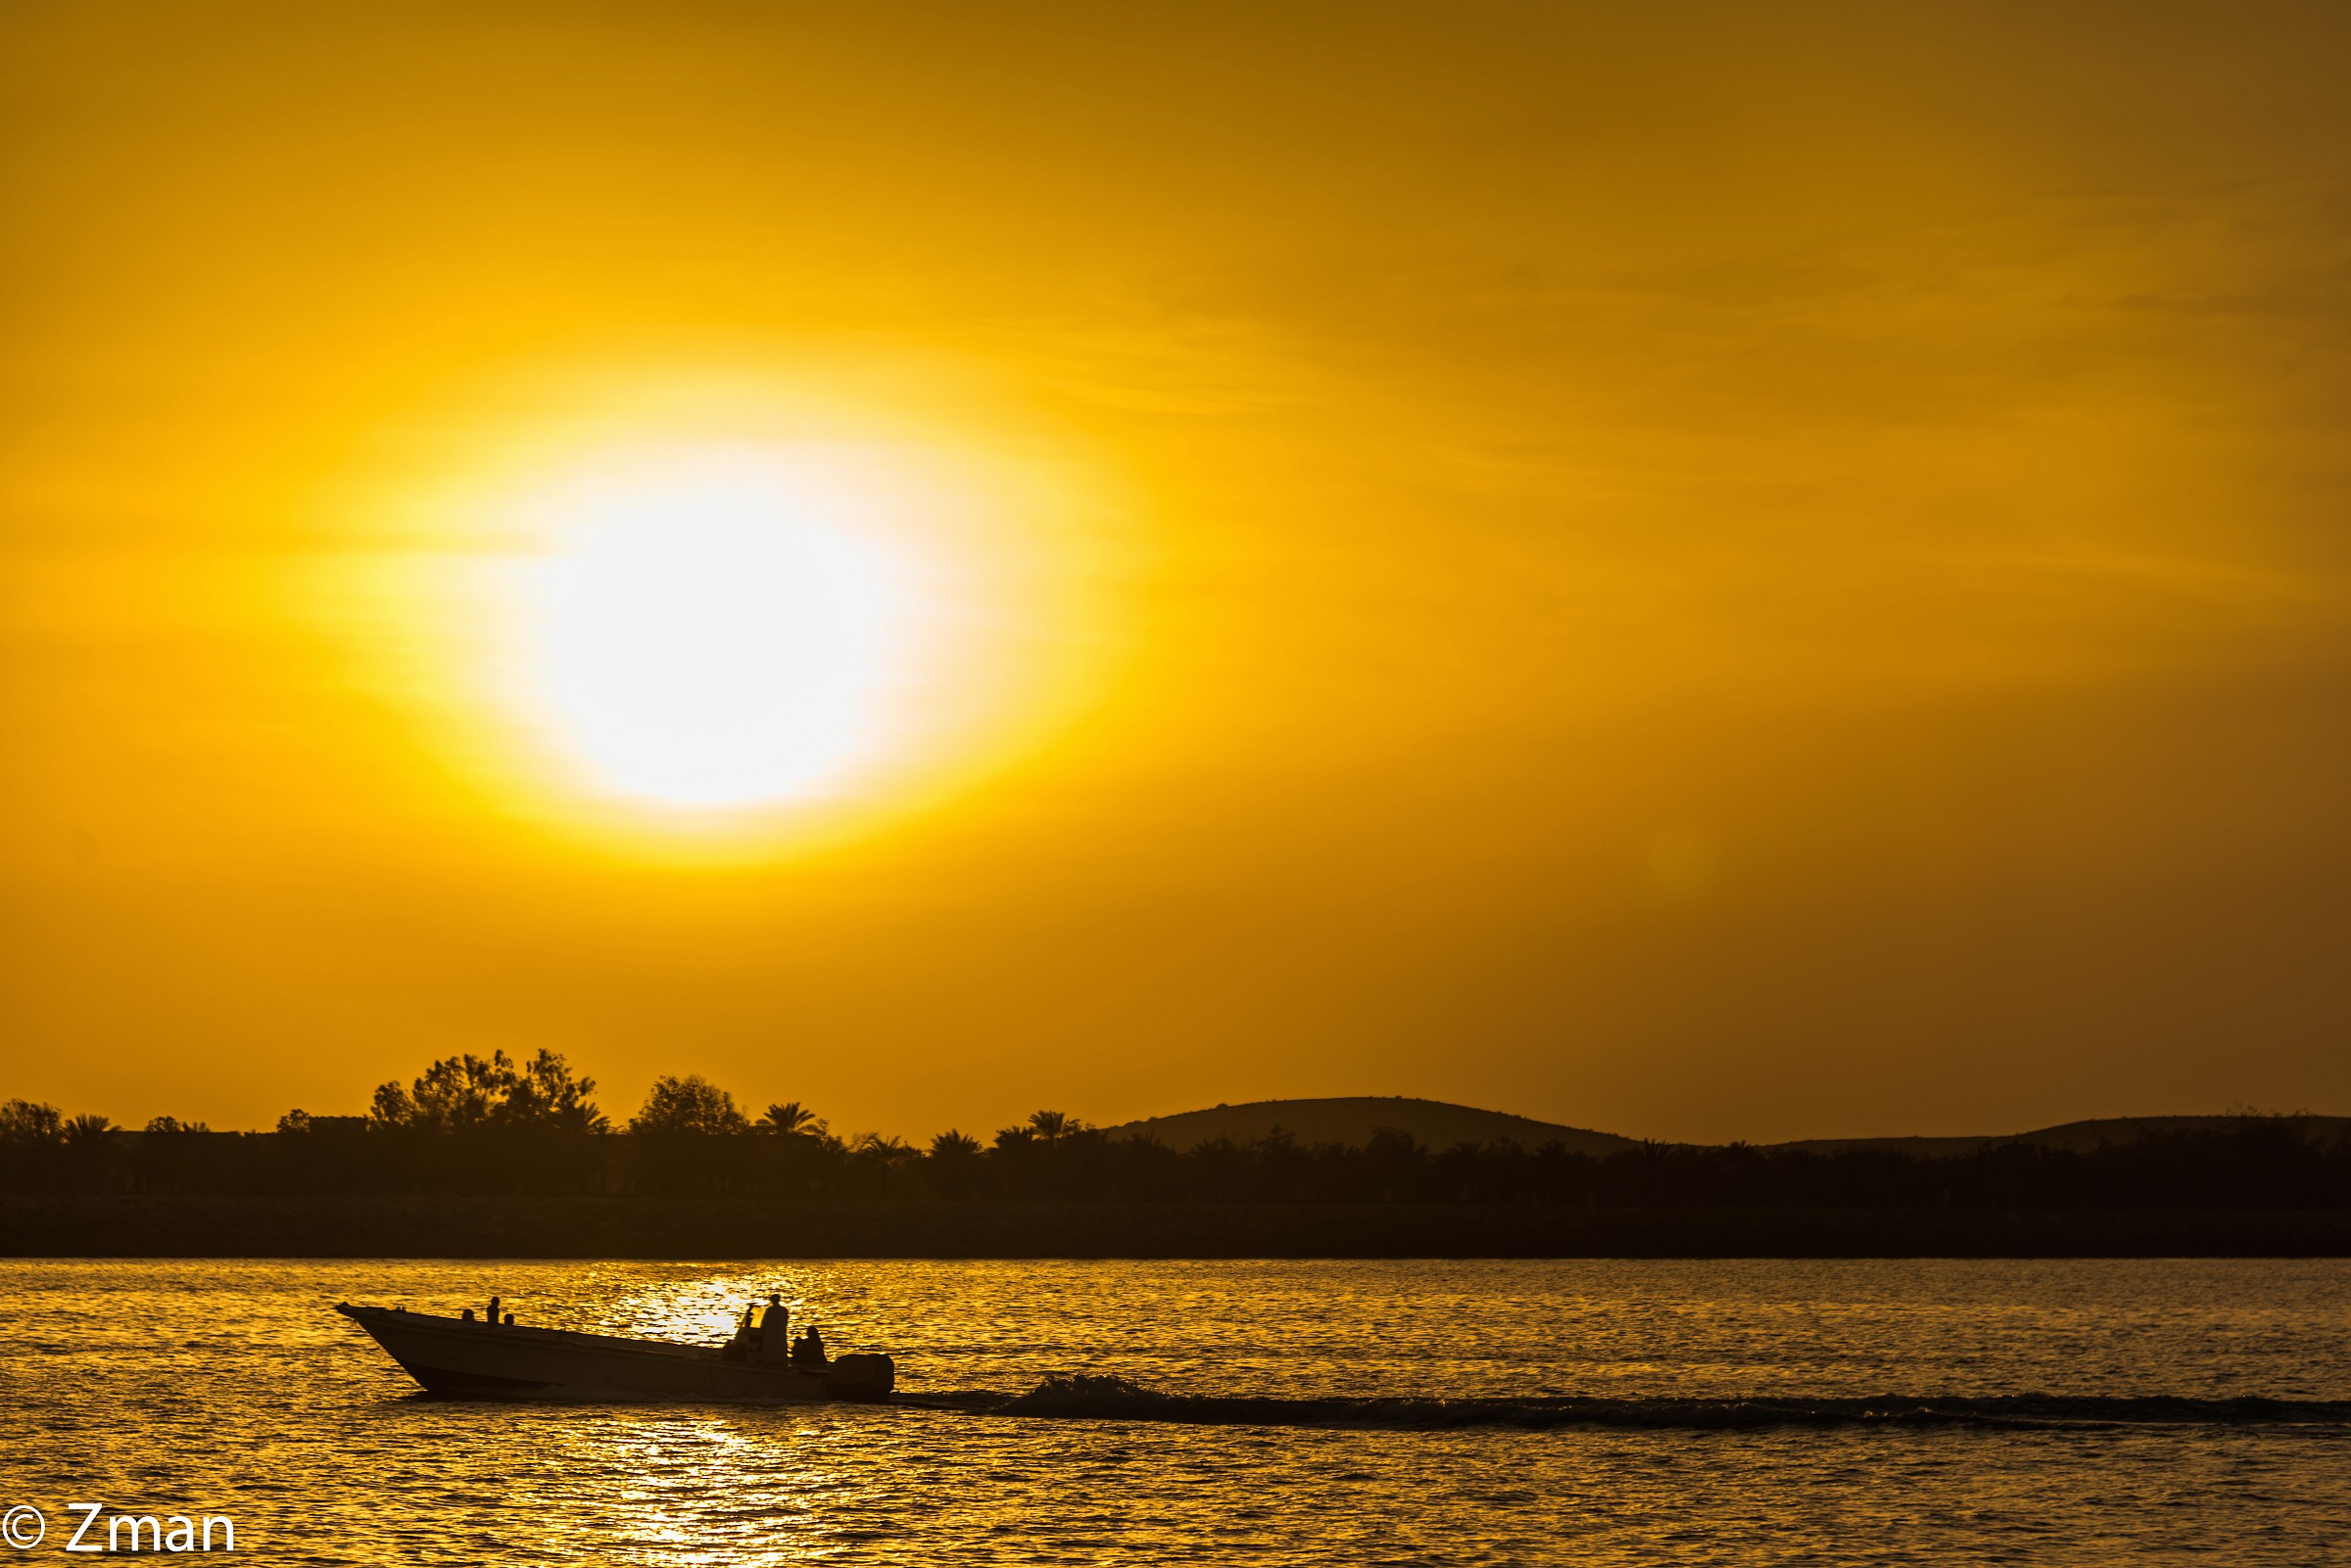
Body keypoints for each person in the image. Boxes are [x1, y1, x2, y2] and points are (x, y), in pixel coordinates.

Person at [758, 1292, 790, 1364]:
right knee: (779, 1347)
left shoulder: (770, 1310)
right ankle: (780, 1361)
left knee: (770, 1347)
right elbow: (785, 1322)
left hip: (771, 1333)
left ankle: (769, 1362)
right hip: (780, 1332)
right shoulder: (784, 1310)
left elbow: (765, 1322)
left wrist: (762, 1331)